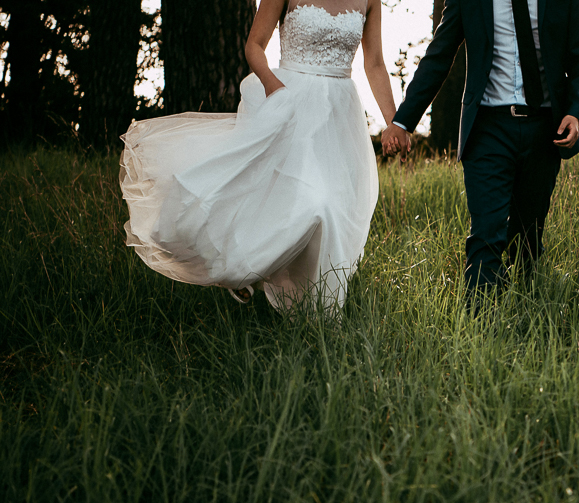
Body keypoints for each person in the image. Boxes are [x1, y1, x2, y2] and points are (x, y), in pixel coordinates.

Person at [120, 0, 397, 311]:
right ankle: (247, 267)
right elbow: (255, 45)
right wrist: (273, 85)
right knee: (311, 202)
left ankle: (319, 312)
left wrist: (393, 122)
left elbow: (374, 63)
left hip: (339, 112)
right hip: (290, 101)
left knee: (333, 207)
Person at [380, 0, 579, 302]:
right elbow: (439, 55)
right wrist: (402, 121)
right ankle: (480, 330)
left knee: (528, 237)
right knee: (486, 234)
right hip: (487, 129)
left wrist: (576, 112)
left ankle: (526, 319)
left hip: (544, 128)